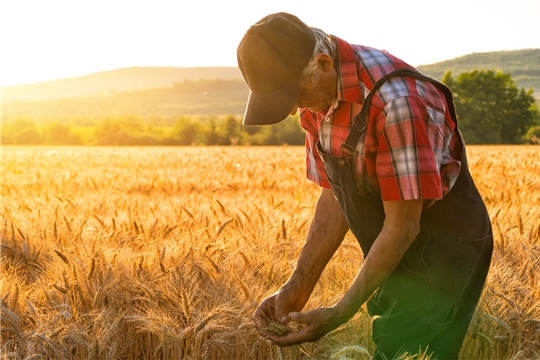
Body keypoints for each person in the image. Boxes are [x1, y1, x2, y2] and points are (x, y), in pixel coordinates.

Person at [237, 12, 493, 360]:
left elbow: (403, 226)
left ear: (324, 63)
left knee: (401, 351)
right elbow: (334, 195)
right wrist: (298, 286)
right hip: (389, 245)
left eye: (294, 95)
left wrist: (341, 312)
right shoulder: (318, 96)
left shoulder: (397, 103)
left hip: (441, 249)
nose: (295, 108)